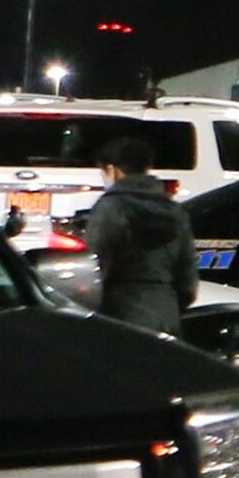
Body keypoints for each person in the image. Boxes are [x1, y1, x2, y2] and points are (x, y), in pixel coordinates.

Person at [80, 136, 198, 336]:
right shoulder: (175, 211)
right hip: (166, 316)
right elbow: (187, 281)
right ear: (147, 167)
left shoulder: (110, 207)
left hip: (120, 316)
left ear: (112, 170)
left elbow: (93, 266)